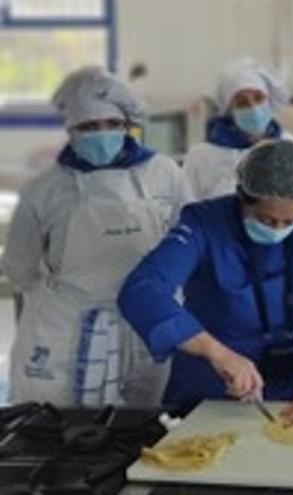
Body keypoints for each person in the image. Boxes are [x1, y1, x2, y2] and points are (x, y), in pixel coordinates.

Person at [118, 140, 293, 421]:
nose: (279, 229)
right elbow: (142, 291)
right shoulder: (204, 223)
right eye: (267, 220)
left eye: (289, 222)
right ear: (242, 198)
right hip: (212, 386)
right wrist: (217, 352)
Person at [1, 66, 192, 406]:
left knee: (144, 423)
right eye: (88, 126)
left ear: (127, 126)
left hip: (145, 321)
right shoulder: (44, 188)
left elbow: (188, 243)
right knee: (62, 427)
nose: (102, 134)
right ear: (70, 130)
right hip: (68, 328)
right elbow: (20, 268)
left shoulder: (165, 174)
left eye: (112, 124)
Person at [184, 58, 293, 201]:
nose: (253, 107)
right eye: (242, 102)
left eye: (259, 98)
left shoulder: (292, 146)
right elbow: (186, 210)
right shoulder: (202, 156)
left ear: (269, 100)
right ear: (230, 110)